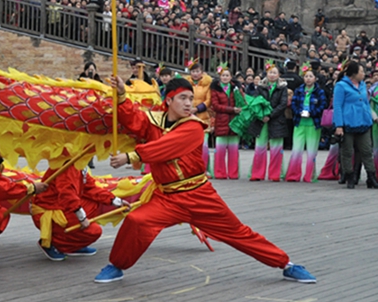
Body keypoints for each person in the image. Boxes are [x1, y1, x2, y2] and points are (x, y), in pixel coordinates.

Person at [95, 76, 316, 284]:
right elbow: (134, 120)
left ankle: (285, 264)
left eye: (191, 98)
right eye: (183, 98)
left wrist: (131, 157)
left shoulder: (193, 127)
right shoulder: (155, 121)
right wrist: (121, 95)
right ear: (169, 100)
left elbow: (165, 147)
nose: (188, 103)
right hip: (167, 197)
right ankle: (117, 265)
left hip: (199, 195)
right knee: (137, 220)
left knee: (238, 232)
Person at [32, 160, 124, 261]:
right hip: (51, 210)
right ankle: (53, 243)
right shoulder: (66, 166)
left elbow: (90, 188)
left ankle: (72, 244)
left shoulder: (78, 164)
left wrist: (115, 200)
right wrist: (82, 217)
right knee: (94, 231)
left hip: (61, 206)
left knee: (94, 204)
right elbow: (67, 194)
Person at [333, 61, 378, 189]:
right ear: (354, 73)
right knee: (347, 151)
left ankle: (371, 176)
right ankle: (349, 176)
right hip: (348, 123)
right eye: (361, 71)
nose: (364, 74)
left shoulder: (363, 85)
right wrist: (339, 125)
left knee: (367, 151)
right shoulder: (341, 86)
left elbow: (366, 103)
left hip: (363, 122)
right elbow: (337, 106)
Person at [247, 63, 288, 181]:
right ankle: (257, 174)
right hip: (261, 120)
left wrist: (270, 114)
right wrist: (261, 115)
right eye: (270, 72)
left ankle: (275, 174)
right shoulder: (260, 87)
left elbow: (283, 104)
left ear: (279, 75)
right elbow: (255, 102)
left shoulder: (282, 87)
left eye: (275, 73)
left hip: (277, 120)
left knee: (276, 148)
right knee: (260, 147)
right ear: (266, 74)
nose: (272, 75)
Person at [287, 65, 327, 182]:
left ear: (315, 78)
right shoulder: (298, 90)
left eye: (310, 76)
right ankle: (293, 175)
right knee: (296, 150)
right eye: (306, 76)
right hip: (299, 123)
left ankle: (310, 175)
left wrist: (312, 113)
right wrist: (299, 112)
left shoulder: (319, 91)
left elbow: (322, 105)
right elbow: (293, 104)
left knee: (311, 151)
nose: (308, 78)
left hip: (313, 124)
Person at [210, 64, 242, 179]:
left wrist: (240, 108)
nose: (225, 77)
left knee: (234, 151)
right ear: (219, 77)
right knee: (220, 151)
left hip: (234, 122)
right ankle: (220, 173)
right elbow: (215, 105)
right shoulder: (215, 89)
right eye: (223, 75)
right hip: (221, 121)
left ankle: (233, 173)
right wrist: (231, 109)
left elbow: (242, 101)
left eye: (227, 75)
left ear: (231, 77)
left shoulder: (236, 88)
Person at [187, 59, 213, 173]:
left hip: (203, 117)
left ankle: (204, 169)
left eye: (197, 71)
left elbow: (209, 100)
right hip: (188, 117)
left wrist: (197, 109)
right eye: (193, 71)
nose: (195, 74)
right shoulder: (186, 84)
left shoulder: (208, 84)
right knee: (190, 146)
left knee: (204, 146)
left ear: (202, 72)